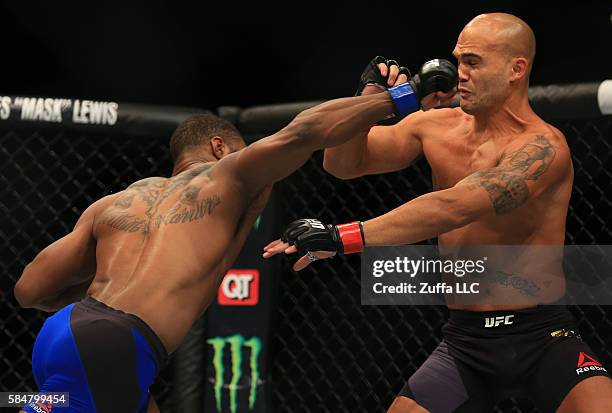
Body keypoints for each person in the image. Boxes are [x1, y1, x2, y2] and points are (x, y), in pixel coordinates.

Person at [263, 13, 612, 413]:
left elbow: (455, 205)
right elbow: (342, 163)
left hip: (542, 336)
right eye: (458, 60)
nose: (459, 73)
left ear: (516, 69)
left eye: (474, 62)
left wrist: (343, 237)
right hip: (465, 344)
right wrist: (372, 99)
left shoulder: (544, 148)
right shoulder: (438, 126)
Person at [13, 89, 416, 413]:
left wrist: (93, 313)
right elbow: (303, 133)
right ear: (221, 147)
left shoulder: (112, 205)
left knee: (51, 403)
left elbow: (29, 291)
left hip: (63, 336)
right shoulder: (230, 174)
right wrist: (398, 97)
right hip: (114, 348)